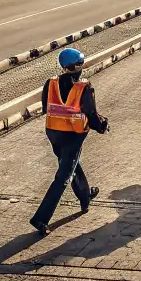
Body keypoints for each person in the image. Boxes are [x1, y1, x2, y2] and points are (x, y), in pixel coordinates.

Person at [30, 47, 109, 235]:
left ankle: (85, 196)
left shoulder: (50, 83)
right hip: (73, 135)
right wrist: (102, 126)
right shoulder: (84, 86)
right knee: (63, 176)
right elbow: (91, 114)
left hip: (53, 133)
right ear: (78, 66)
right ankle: (40, 219)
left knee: (72, 163)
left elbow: (45, 107)